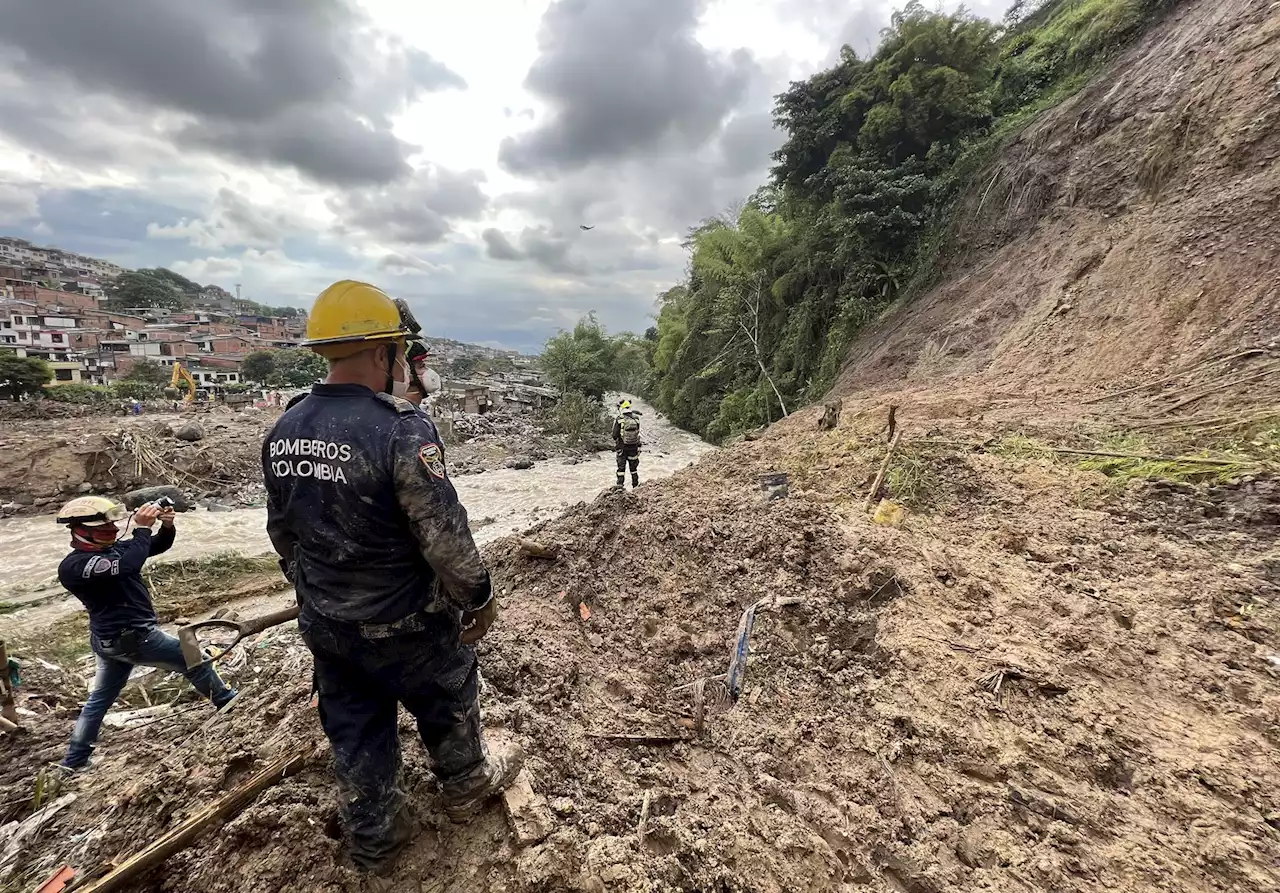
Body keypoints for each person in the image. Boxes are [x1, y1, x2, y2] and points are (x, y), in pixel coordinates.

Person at [262, 280, 522, 875]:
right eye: (402, 353)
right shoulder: (401, 428)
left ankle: (377, 834)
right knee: (446, 687)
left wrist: (317, 597)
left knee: (353, 723)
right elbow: (442, 534)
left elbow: (283, 532)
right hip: (405, 620)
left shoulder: (285, 428)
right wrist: (478, 599)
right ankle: (463, 787)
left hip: (327, 623)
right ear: (384, 352)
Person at [55, 497, 238, 771]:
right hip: (132, 638)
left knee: (99, 700)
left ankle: (74, 761)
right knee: (193, 655)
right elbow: (129, 565)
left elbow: (154, 546)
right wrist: (141, 528)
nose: (113, 529)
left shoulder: (111, 550)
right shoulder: (75, 566)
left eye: (112, 524)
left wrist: (166, 527)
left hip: (112, 640)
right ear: (80, 530)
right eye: (104, 526)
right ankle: (227, 702)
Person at [612, 399, 642, 489]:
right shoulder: (636, 418)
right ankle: (635, 486)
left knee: (621, 469)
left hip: (622, 448)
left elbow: (614, 435)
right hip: (634, 447)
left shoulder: (619, 419)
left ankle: (620, 487)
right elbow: (638, 432)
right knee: (633, 469)